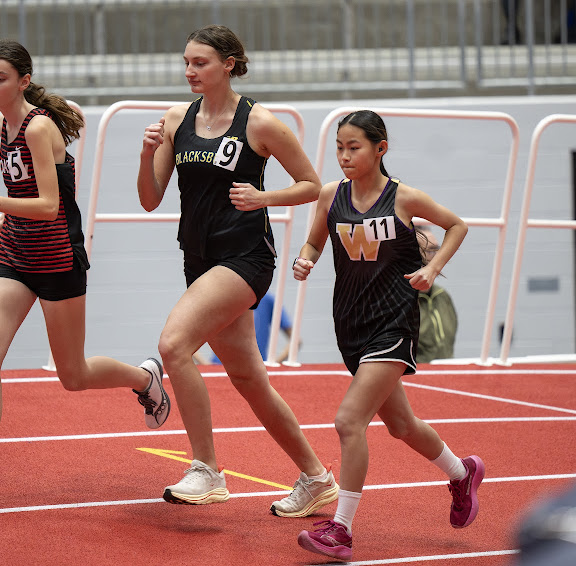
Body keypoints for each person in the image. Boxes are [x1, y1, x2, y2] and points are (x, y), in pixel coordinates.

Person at [0, 39, 169, 502]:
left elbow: (48, 206)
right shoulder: (1, 127)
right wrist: (1, 220)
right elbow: (42, 193)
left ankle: (145, 379)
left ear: (23, 80)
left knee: (73, 375)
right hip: (17, 257)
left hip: (59, 259)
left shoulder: (38, 128)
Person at [136, 24, 338, 516]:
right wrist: (145, 154)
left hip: (246, 258)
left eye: (200, 62)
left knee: (173, 345)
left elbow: (312, 185)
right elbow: (148, 199)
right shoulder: (174, 119)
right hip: (198, 257)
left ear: (228, 64)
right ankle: (317, 478)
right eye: (185, 62)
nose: (189, 71)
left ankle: (206, 469)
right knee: (249, 378)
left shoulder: (259, 123)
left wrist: (263, 197)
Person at [291, 109, 484, 561]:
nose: (344, 156)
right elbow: (315, 241)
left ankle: (341, 529)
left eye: (353, 147)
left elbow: (457, 225)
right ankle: (461, 473)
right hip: (350, 324)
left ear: (380, 149)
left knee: (348, 421)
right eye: (339, 147)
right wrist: (306, 259)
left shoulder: (403, 198)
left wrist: (431, 269)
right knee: (400, 425)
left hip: (393, 324)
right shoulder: (329, 196)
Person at [202, 291, 298, 364]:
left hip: (255, 366)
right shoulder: (220, 297)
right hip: (221, 366)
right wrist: (205, 365)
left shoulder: (267, 300)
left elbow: (295, 340)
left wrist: (274, 362)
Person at [416, 226, 458, 363]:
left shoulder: (442, 295)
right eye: (430, 250)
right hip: (412, 376)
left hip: (444, 371)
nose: (437, 258)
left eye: (437, 250)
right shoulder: (398, 299)